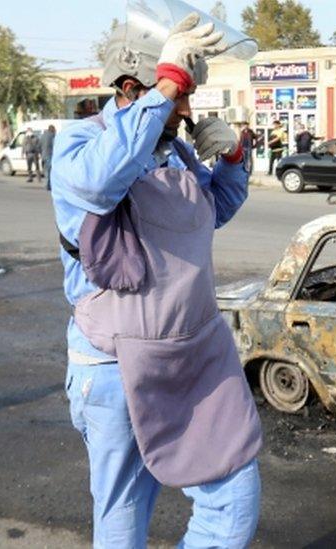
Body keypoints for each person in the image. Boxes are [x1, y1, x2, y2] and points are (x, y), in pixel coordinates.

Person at [51, 13, 260, 548]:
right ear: (130, 87)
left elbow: (214, 211)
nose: (187, 110)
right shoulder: (80, 144)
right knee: (124, 515)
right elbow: (100, 186)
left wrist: (233, 159)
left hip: (193, 355)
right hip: (115, 367)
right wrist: (167, 81)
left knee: (234, 501)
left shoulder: (178, 151)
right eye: (181, 95)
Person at [40, 124, 56, 190]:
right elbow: (54, 146)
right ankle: (48, 185)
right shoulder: (52, 136)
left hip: (43, 155)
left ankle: (46, 185)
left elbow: (39, 145)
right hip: (50, 155)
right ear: (52, 129)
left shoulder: (42, 136)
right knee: (50, 171)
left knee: (46, 171)